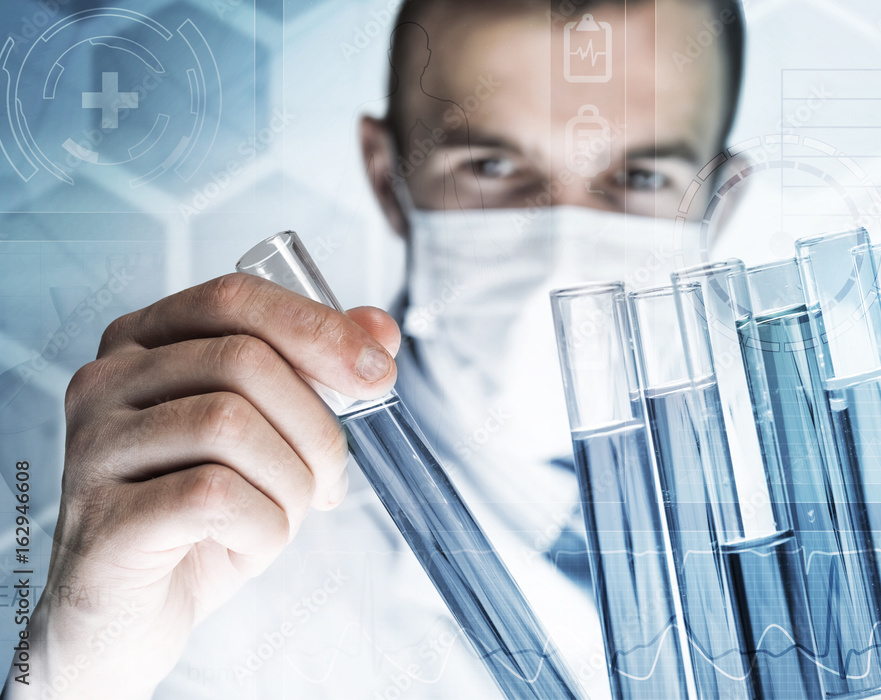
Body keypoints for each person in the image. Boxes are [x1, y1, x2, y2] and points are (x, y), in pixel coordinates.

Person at [4, 0, 743, 697]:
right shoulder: (219, 554)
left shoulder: (818, 492)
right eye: (489, 167)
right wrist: (77, 666)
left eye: (641, 176)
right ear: (390, 179)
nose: (558, 251)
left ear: (721, 201)